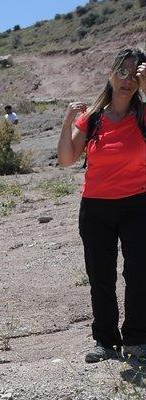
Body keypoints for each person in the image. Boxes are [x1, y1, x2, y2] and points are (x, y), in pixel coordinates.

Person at [57, 47, 146, 364]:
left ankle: (137, 340)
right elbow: (67, 159)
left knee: (139, 273)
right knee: (101, 277)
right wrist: (68, 120)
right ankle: (106, 342)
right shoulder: (92, 119)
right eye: (122, 71)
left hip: (138, 204)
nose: (127, 80)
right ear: (110, 73)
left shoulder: (142, 115)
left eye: (135, 74)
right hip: (96, 208)